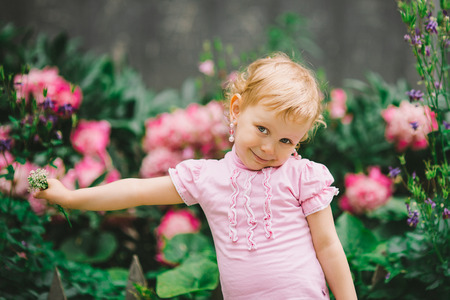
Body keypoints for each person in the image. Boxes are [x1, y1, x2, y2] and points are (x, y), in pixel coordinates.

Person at [35, 53, 357, 299]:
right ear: (236, 110)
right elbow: (135, 191)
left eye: (287, 141)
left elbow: (328, 246)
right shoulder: (206, 177)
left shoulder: (302, 176)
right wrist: (70, 197)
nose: (270, 147)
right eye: (262, 129)